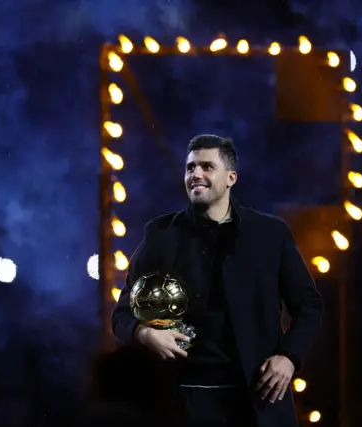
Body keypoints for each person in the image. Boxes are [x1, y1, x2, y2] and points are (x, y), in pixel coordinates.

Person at [110, 134, 324, 427]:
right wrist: (145, 334)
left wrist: (288, 357)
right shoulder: (160, 235)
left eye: (207, 167)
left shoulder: (270, 234)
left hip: (256, 403)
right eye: (190, 168)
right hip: (181, 404)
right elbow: (121, 314)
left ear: (230, 178)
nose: (196, 174)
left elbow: (310, 306)